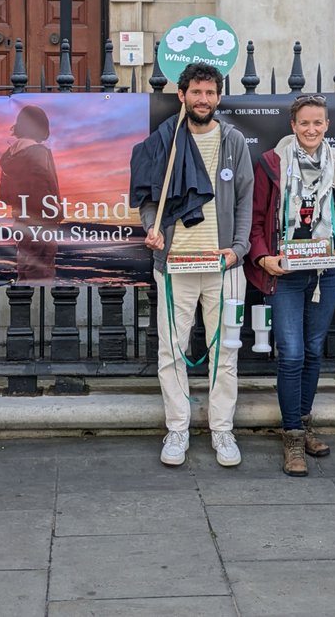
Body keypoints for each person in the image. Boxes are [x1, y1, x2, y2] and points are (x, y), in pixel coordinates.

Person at [130, 62, 253, 468]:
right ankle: (178, 427)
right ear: (181, 96)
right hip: (175, 262)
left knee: (225, 351)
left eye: (210, 93)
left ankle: (222, 429)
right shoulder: (164, 141)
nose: (203, 100)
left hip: (224, 265)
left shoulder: (233, 141)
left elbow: (244, 201)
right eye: (196, 92)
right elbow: (150, 198)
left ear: (219, 97)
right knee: (172, 349)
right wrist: (153, 229)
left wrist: (238, 248)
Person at [246, 95, 335, 476]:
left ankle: (304, 423)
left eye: (318, 123)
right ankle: (291, 435)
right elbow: (257, 219)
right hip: (286, 273)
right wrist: (263, 258)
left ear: (327, 125)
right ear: (293, 126)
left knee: (312, 351)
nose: (311, 130)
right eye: (304, 123)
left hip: (325, 271)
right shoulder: (271, 163)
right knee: (291, 353)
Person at [0, 104, 59, 282]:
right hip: (42, 226)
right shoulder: (38, 153)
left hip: (21, 224)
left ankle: (25, 309)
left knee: (25, 274)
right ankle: (41, 311)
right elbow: (45, 192)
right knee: (42, 277)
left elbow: (4, 196)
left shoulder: (9, 155)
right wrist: (56, 211)